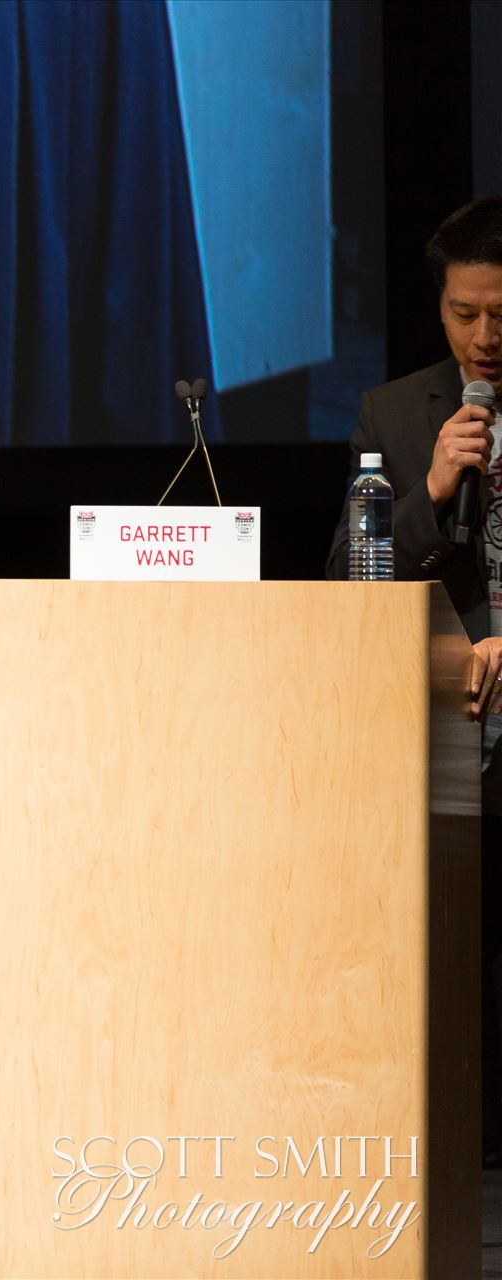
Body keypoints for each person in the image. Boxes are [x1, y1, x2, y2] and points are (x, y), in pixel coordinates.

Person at [325, 195, 502, 1158]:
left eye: (501, 316)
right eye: (462, 314)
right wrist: (430, 492)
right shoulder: (393, 413)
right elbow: (349, 577)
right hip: (443, 748)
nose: (482, 337)